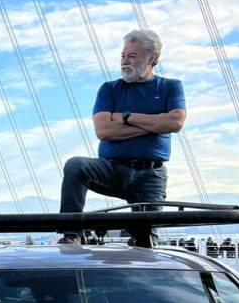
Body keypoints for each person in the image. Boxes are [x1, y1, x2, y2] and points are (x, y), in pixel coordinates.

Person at [59, 30, 187, 244]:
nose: (125, 61)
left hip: (150, 175)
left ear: (152, 58)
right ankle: (71, 235)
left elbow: (175, 123)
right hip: (112, 169)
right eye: (123, 56)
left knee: (147, 242)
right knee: (75, 166)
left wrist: (126, 117)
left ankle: (141, 238)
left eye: (132, 56)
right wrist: (155, 124)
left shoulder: (170, 87)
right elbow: (104, 131)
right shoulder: (110, 89)